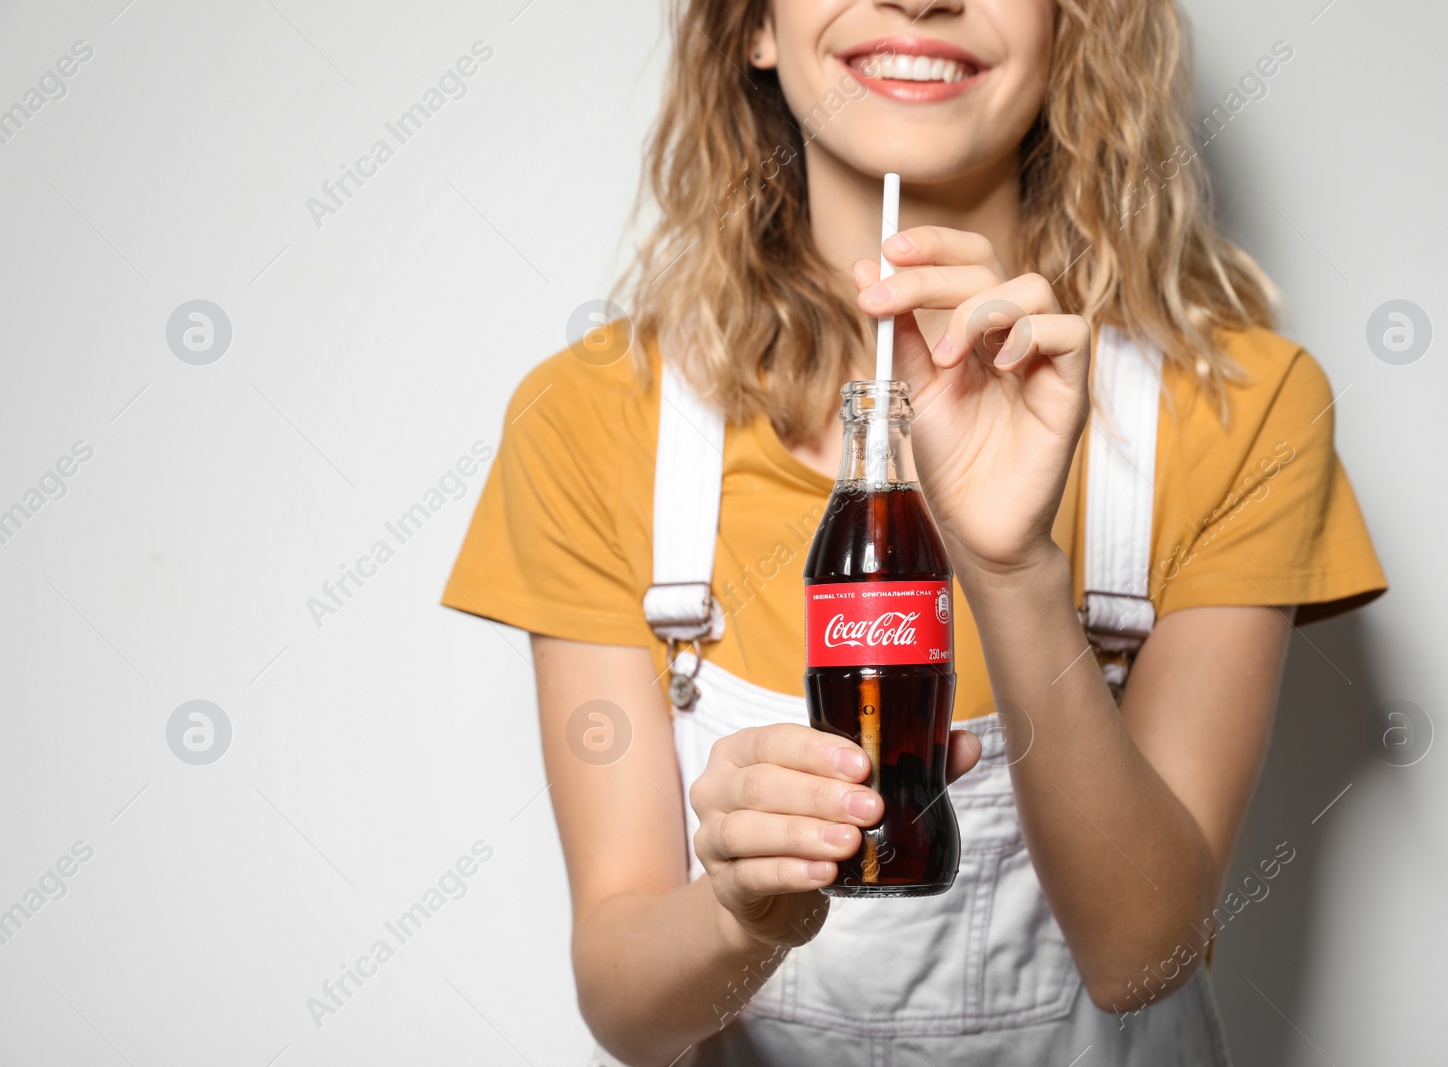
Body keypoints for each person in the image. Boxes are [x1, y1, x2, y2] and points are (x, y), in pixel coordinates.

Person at [444, 1, 1386, 1064]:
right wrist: (739, 914)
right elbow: (626, 1006)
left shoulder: (1241, 410)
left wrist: (1009, 563)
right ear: (752, 26)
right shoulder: (591, 418)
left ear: (1070, 27)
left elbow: (1143, 958)